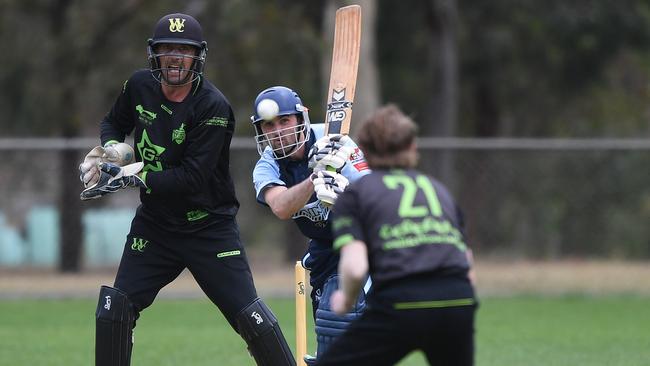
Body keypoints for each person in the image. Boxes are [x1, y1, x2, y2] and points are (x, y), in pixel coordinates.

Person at [78, 13, 295, 366]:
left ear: (197, 57)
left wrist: (132, 177)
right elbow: (112, 122)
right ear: (155, 54)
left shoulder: (213, 106)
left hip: (209, 227)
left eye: (184, 49)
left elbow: (191, 179)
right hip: (156, 226)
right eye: (168, 49)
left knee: (251, 318)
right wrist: (113, 149)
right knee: (115, 308)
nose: (176, 57)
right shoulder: (138, 85)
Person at [315, 104, 477, 366]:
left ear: (363, 151)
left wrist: (345, 301)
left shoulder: (357, 193)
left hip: (402, 302)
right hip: (458, 299)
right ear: (413, 147)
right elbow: (467, 263)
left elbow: (356, 268)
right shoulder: (437, 189)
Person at [250, 86, 371, 363]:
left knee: (339, 318)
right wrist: (315, 178)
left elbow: (377, 194)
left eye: (284, 121)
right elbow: (281, 206)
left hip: (362, 240)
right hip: (323, 251)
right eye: (269, 125)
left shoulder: (336, 141)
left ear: (300, 118)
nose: (278, 131)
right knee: (330, 333)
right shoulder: (267, 165)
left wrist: (345, 185)